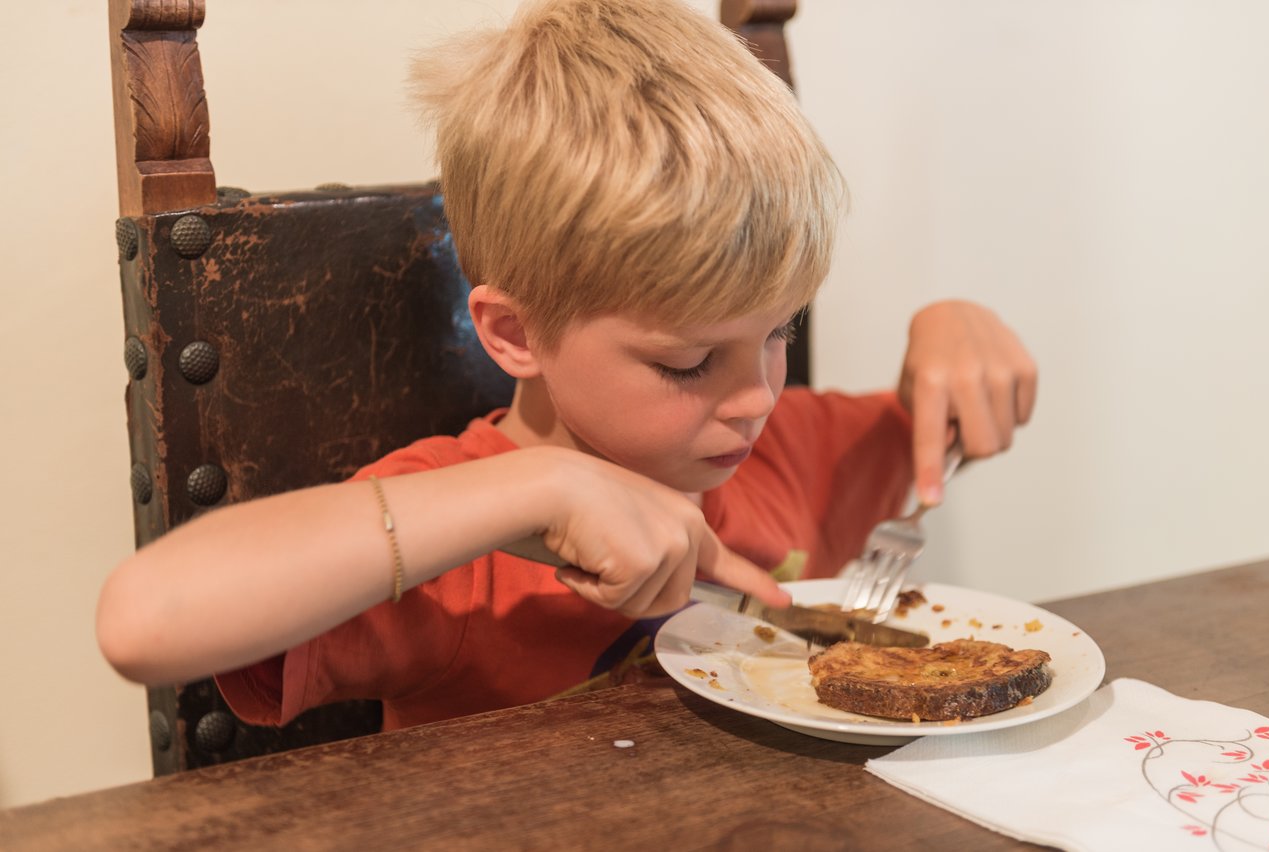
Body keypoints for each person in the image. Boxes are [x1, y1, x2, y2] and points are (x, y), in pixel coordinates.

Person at [96, 0, 1036, 730]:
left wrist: (955, 328)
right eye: (689, 361)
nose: (757, 395)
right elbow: (145, 620)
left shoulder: (784, 452)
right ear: (516, 334)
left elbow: (953, 412)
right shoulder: (465, 536)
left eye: (783, 329)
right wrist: (534, 489)